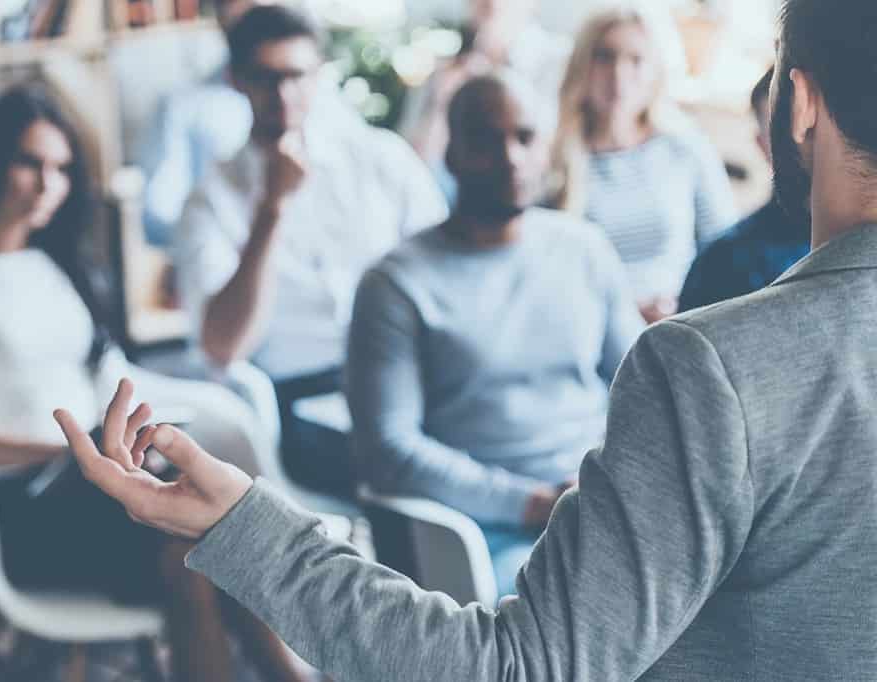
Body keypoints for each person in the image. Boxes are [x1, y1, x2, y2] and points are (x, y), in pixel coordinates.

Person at [59, 0, 877, 678]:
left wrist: (237, 521)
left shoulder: (706, 366)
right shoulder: (393, 276)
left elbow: (520, 668)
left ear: (797, 105)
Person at [0, 86, 312, 682]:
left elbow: (109, 377)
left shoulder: (49, 267)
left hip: (105, 487)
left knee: (203, 541)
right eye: (29, 163)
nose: (49, 184)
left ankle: (296, 674)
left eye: (62, 168)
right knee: (201, 541)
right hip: (21, 508)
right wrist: (82, 455)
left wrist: (140, 435)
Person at [348, 72, 644, 597]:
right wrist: (531, 503)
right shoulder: (395, 284)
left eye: (525, 137)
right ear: (452, 153)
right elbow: (390, 450)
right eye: (486, 139)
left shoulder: (584, 249)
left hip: (602, 503)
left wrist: (609, 485)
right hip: (482, 532)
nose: (510, 157)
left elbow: (643, 390)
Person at [175, 4, 447, 498]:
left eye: (296, 76)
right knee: (407, 456)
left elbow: (449, 269)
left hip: (406, 370)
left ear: (319, 74)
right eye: (266, 79)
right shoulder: (213, 198)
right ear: (238, 81)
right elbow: (222, 345)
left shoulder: (378, 158)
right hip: (304, 395)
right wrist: (271, 210)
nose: (283, 96)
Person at [550, 6, 737, 323]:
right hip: (589, 324)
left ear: (655, 71)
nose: (619, 75)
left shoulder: (685, 148)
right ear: (583, 64)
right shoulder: (555, 157)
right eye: (605, 57)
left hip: (679, 321)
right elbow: (548, 273)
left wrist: (685, 305)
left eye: (635, 60)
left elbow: (726, 251)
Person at [139, 0, 359, 246]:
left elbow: (363, 169)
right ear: (219, 16)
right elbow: (156, 217)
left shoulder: (322, 96)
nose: (282, 95)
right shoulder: (182, 108)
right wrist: (206, 237)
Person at [399, 0, 571, 199]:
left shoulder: (558, 60)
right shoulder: (445, 72)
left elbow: (551, 156)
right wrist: (441, 104)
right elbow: (411, 167)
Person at [678, 67, 810, 312]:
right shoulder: (724, 262)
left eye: (809, 127)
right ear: (762, 145)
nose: (799, 141)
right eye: (780, 131)